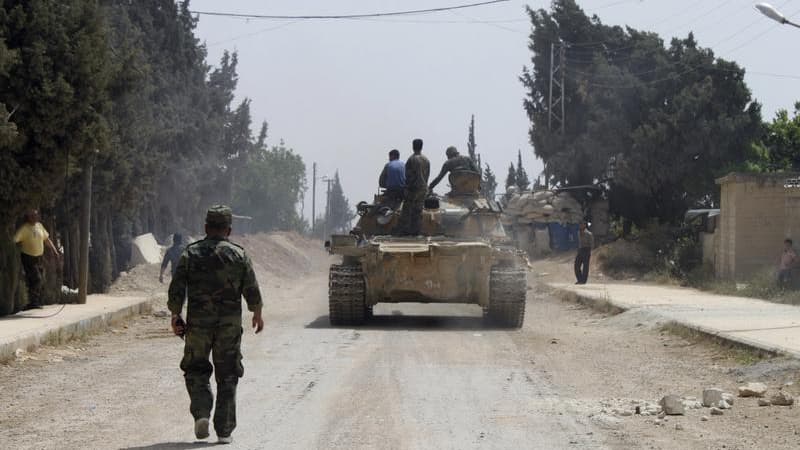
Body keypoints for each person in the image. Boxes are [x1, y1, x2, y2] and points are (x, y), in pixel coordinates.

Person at [168, 205, 264, 444]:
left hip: (198, 326)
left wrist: (175, 315)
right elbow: (251, 288)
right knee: (228, 374)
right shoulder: (239, 255)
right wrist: (257, 312)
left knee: (196, 368)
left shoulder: (190, 254)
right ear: (229, 230)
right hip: (228, 327)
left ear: (205, 228)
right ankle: (224, 430)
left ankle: (201, 413)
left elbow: (177, 289)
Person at [14, 209, 59, 310]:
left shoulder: (39, 226)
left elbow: (46, 239)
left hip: (38, 258)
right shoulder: (24, 229)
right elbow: (15, 240)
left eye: (36, 215)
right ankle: (32, 302)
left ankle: (34, 301)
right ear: (28, 217)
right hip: (28, 257)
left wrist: (54, 251)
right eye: (32, 216)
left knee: (38, 279)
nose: (34, 217)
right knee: (36, 278)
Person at [396, 138, 430, 236]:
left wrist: (407, 188)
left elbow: (409, 176)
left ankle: (404, 231)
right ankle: (416, 231)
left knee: (407, 210)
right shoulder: (426, 160)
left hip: (413, 188)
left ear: (413, 146)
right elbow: (427, 175)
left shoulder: (411, 159)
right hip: (423, 188)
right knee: (418, 210)